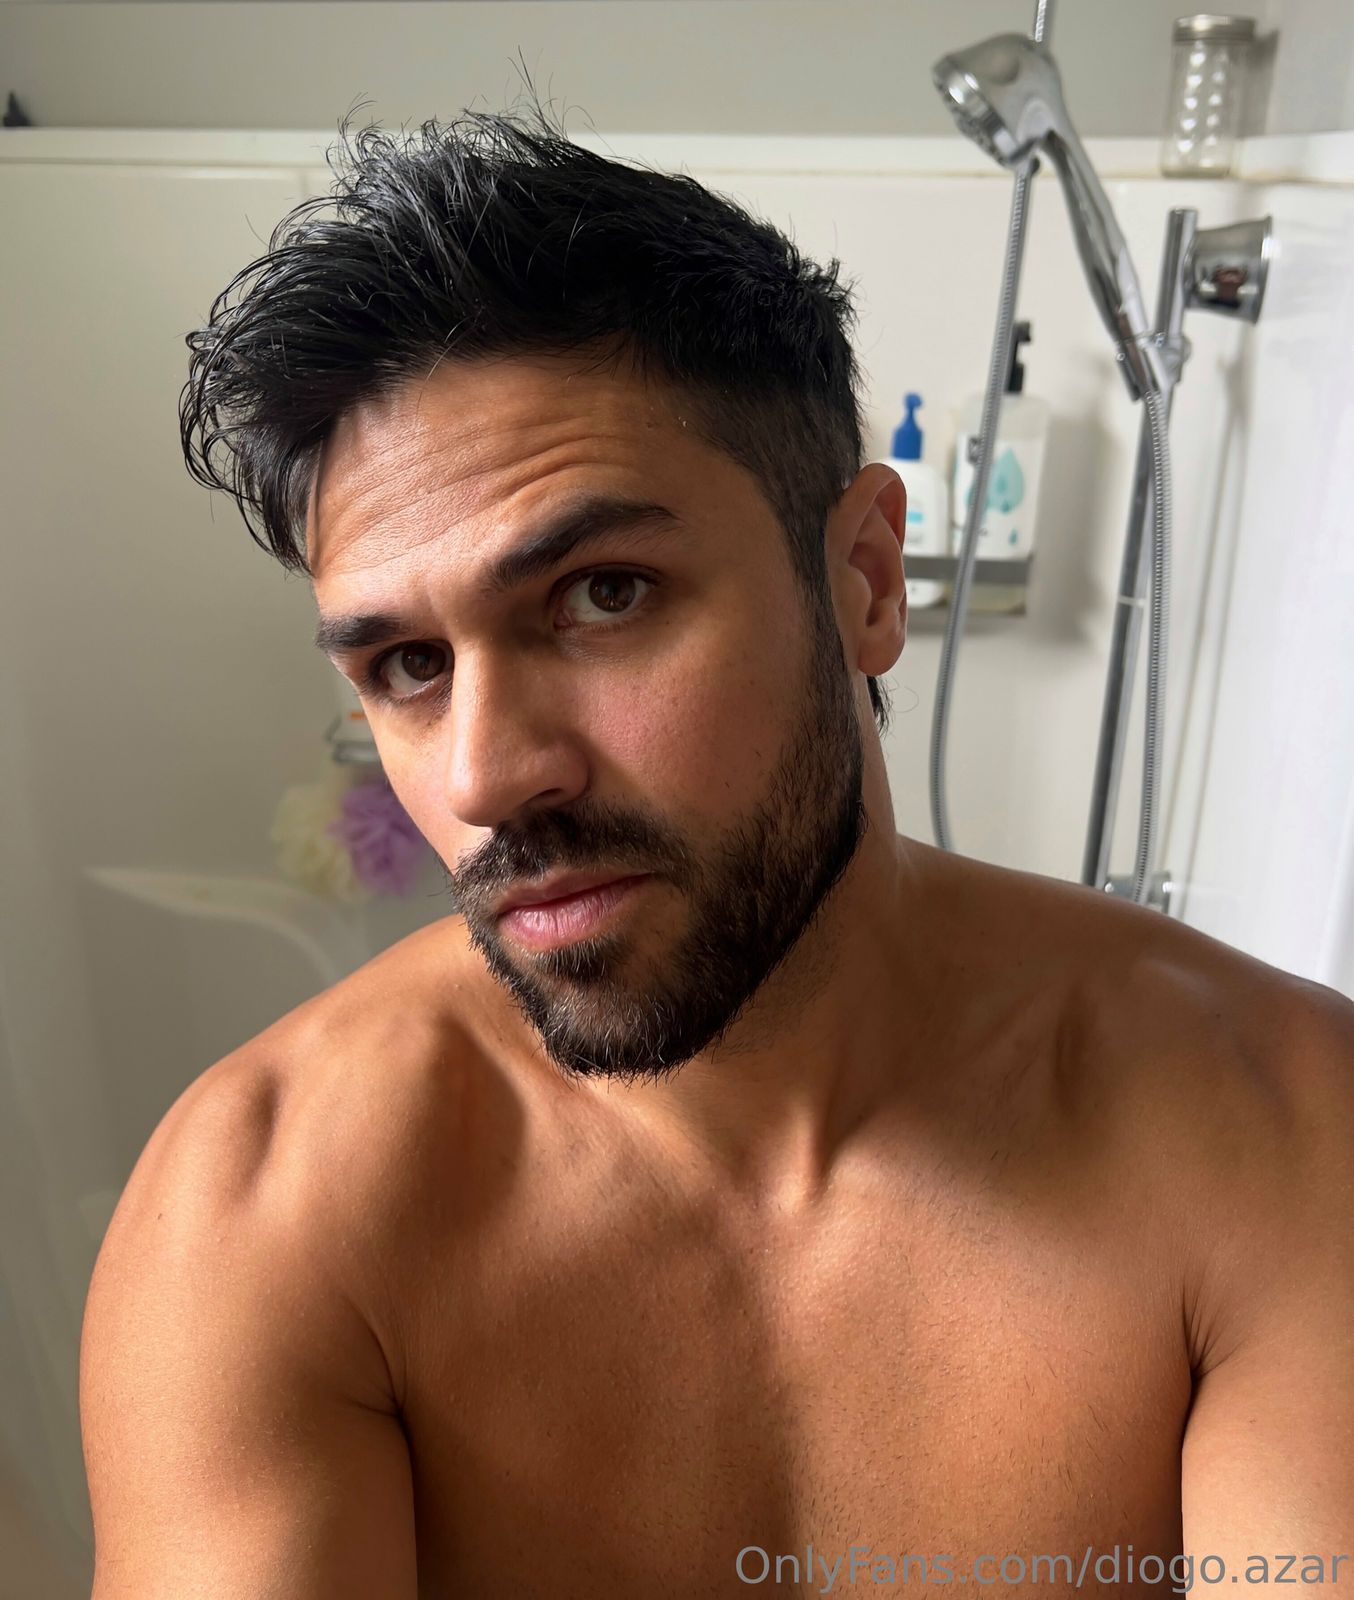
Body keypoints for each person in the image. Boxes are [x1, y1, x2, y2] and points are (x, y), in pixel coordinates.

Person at [80, 92, 1353, 1598]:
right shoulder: (268, 1206)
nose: (487, 775)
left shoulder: (1279, 1128)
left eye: (603, 594)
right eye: (407, 666)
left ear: (864, 578)